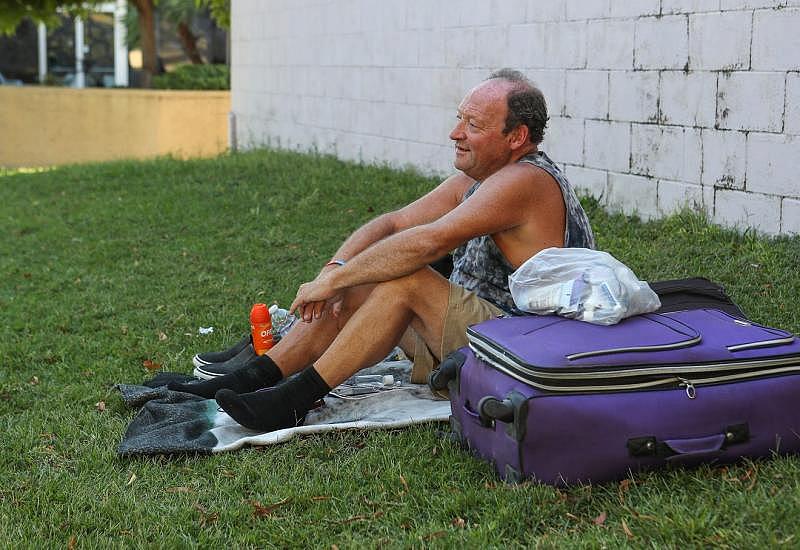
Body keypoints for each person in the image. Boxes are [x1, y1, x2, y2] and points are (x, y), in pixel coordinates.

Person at [170, 68, 595, 431]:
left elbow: (430, 240)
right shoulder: (484, 177)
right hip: (466, 336)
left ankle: (292, 401)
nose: (456, 133)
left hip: (516, 349)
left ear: (517, 136)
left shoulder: (525, 181)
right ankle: (256, 377)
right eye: (459, 118)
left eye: (474, 125)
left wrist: (340, 277)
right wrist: (335, 271)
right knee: (358, 285)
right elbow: (393, 223)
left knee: (405, 279)